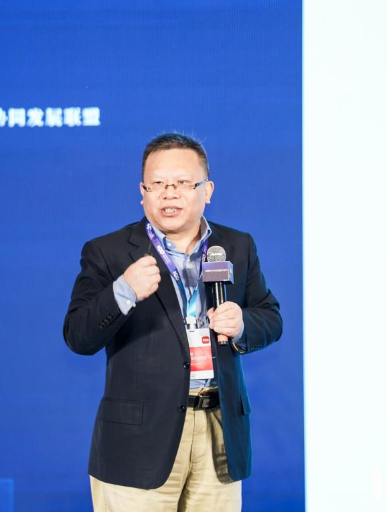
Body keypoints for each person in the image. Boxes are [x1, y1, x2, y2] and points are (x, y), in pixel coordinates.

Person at [63, 133, 282, 511]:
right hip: (138, 444)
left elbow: (270, 317)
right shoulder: (109, 252)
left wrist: (242, 323)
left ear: (207, 190)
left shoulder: (236, 245)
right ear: (142, 192)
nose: (169, 194)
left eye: (182, 183)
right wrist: (123, 291)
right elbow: (78, 336)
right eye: (158, 184)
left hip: (218, 434)